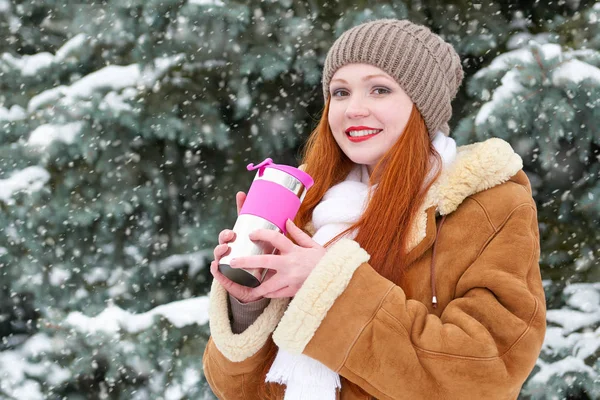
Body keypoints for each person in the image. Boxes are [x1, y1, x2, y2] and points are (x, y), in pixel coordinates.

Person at [202, 19, 546, 400]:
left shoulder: (487, 204)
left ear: (422, 105)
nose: (354, 109)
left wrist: (328, 287)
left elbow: (487, 373)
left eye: (380, 89)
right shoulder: (306, 209)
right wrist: (250, 304)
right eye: (341, 92)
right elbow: (239, 391)